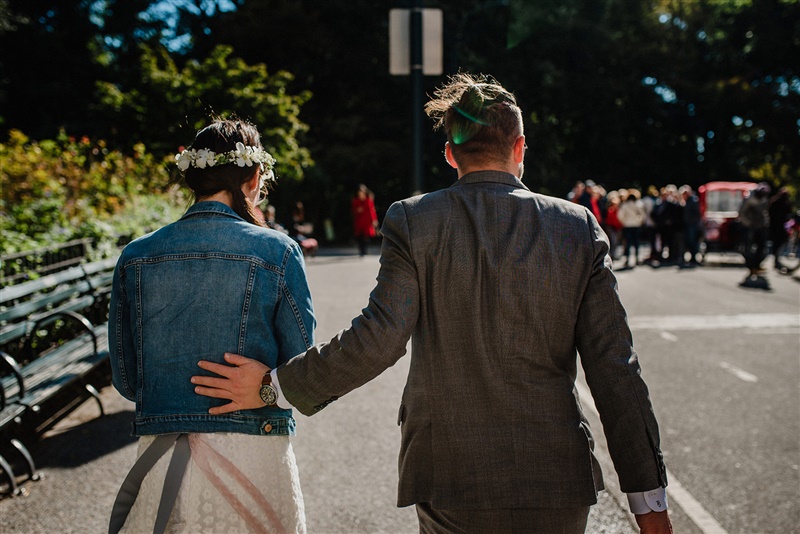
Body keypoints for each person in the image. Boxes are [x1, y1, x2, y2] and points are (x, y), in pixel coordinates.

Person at [192, 74, 672, 534]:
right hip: (554, 473)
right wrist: (647, 499)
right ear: (520, 147)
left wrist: (273, 386)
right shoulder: (577, 227)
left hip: (449, 470)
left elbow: (376, 339)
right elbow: (615, 368)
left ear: (450, 153)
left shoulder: (414, 220)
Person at [107, 119, 315, 533]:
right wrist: (263, 386)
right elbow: (301, 362)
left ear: (194, 178)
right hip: (253, 446)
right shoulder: (279, 250)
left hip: (161, 451)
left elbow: (129, 381)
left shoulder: (136, 254)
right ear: (255, 177)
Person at [739, 182, 771, 279]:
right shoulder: (749, 198)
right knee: (747, 248)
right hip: (749, 226)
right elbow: (742, 213)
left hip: (760, 226)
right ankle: (751, 266)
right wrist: (748, 223)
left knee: (762, 247)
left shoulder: (764, 199)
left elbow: (764, 212)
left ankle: (757, 265)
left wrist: (766, 222)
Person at [618, 188, 647, 267]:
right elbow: (643, 215)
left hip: (627, 225)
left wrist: (624, 222)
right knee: (636, 242)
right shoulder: (638, 205)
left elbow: (620, 215)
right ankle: (637, 258)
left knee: (628, 242)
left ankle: (627, 259)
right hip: (636, 225)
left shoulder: (624, 205)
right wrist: (640, 221)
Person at [351, 183, 379, 256]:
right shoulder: (355, 201)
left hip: (367, 222)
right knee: (359, 236)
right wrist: (357, 211)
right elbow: (353, 211)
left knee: (366, 237)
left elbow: (372, 211)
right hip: (359, 221)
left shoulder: (368, 201)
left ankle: (364, 250)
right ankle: (361, 250)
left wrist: (374, 220)